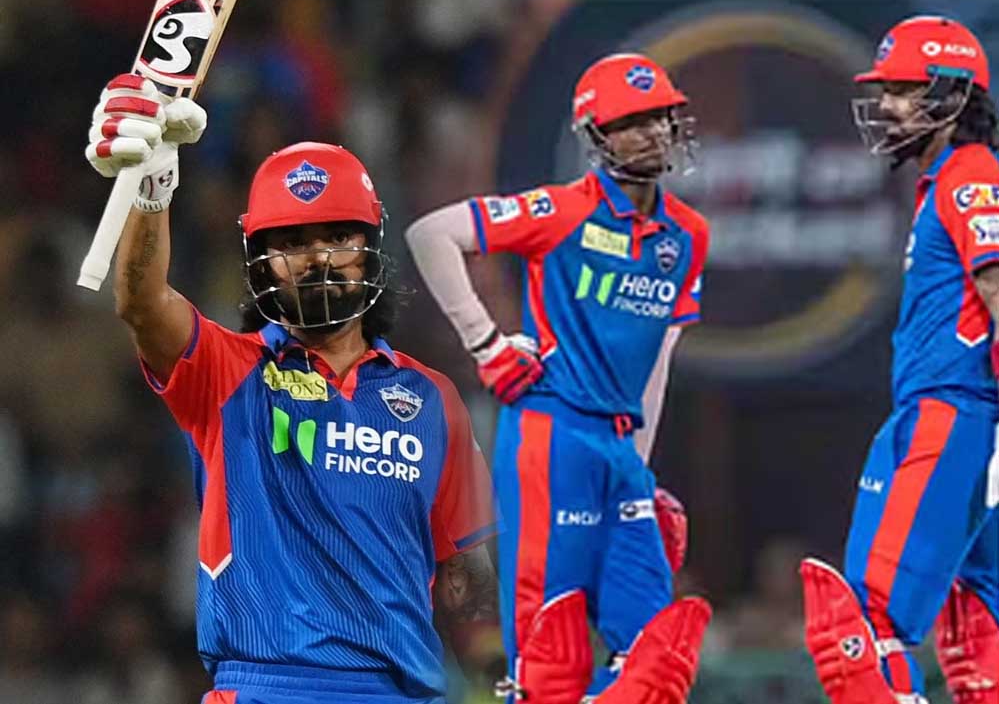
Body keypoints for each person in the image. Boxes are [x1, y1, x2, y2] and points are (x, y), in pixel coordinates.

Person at [84, 73, 500, 704]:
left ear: (370, 248)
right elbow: (142, 303)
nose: (318, 258)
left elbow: (470, 583)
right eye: (293, 242)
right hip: (266, 687)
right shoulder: (227, 372)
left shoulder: (434, 399)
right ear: (261, 262)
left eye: (338, 236)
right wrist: (151, 185)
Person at [405, 52, 711, 704]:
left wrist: (638, 468)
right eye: (629, 122)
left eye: (658, 116)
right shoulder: (562, 209)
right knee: (548, 656)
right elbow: (432, 234)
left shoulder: (687, 234)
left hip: (619, 447)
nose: (651, 132)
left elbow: (658, 360)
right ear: (597, 136)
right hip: (553, 432)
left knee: (654, 658)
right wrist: (485, 342)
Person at [800, 16, 999, 704]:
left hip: (953, 410)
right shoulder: (947, 179)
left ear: (950, 95)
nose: (885, 106)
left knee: (867, 625)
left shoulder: (970, 174)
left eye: (902, 91)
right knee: (978, 633)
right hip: (959, 412)